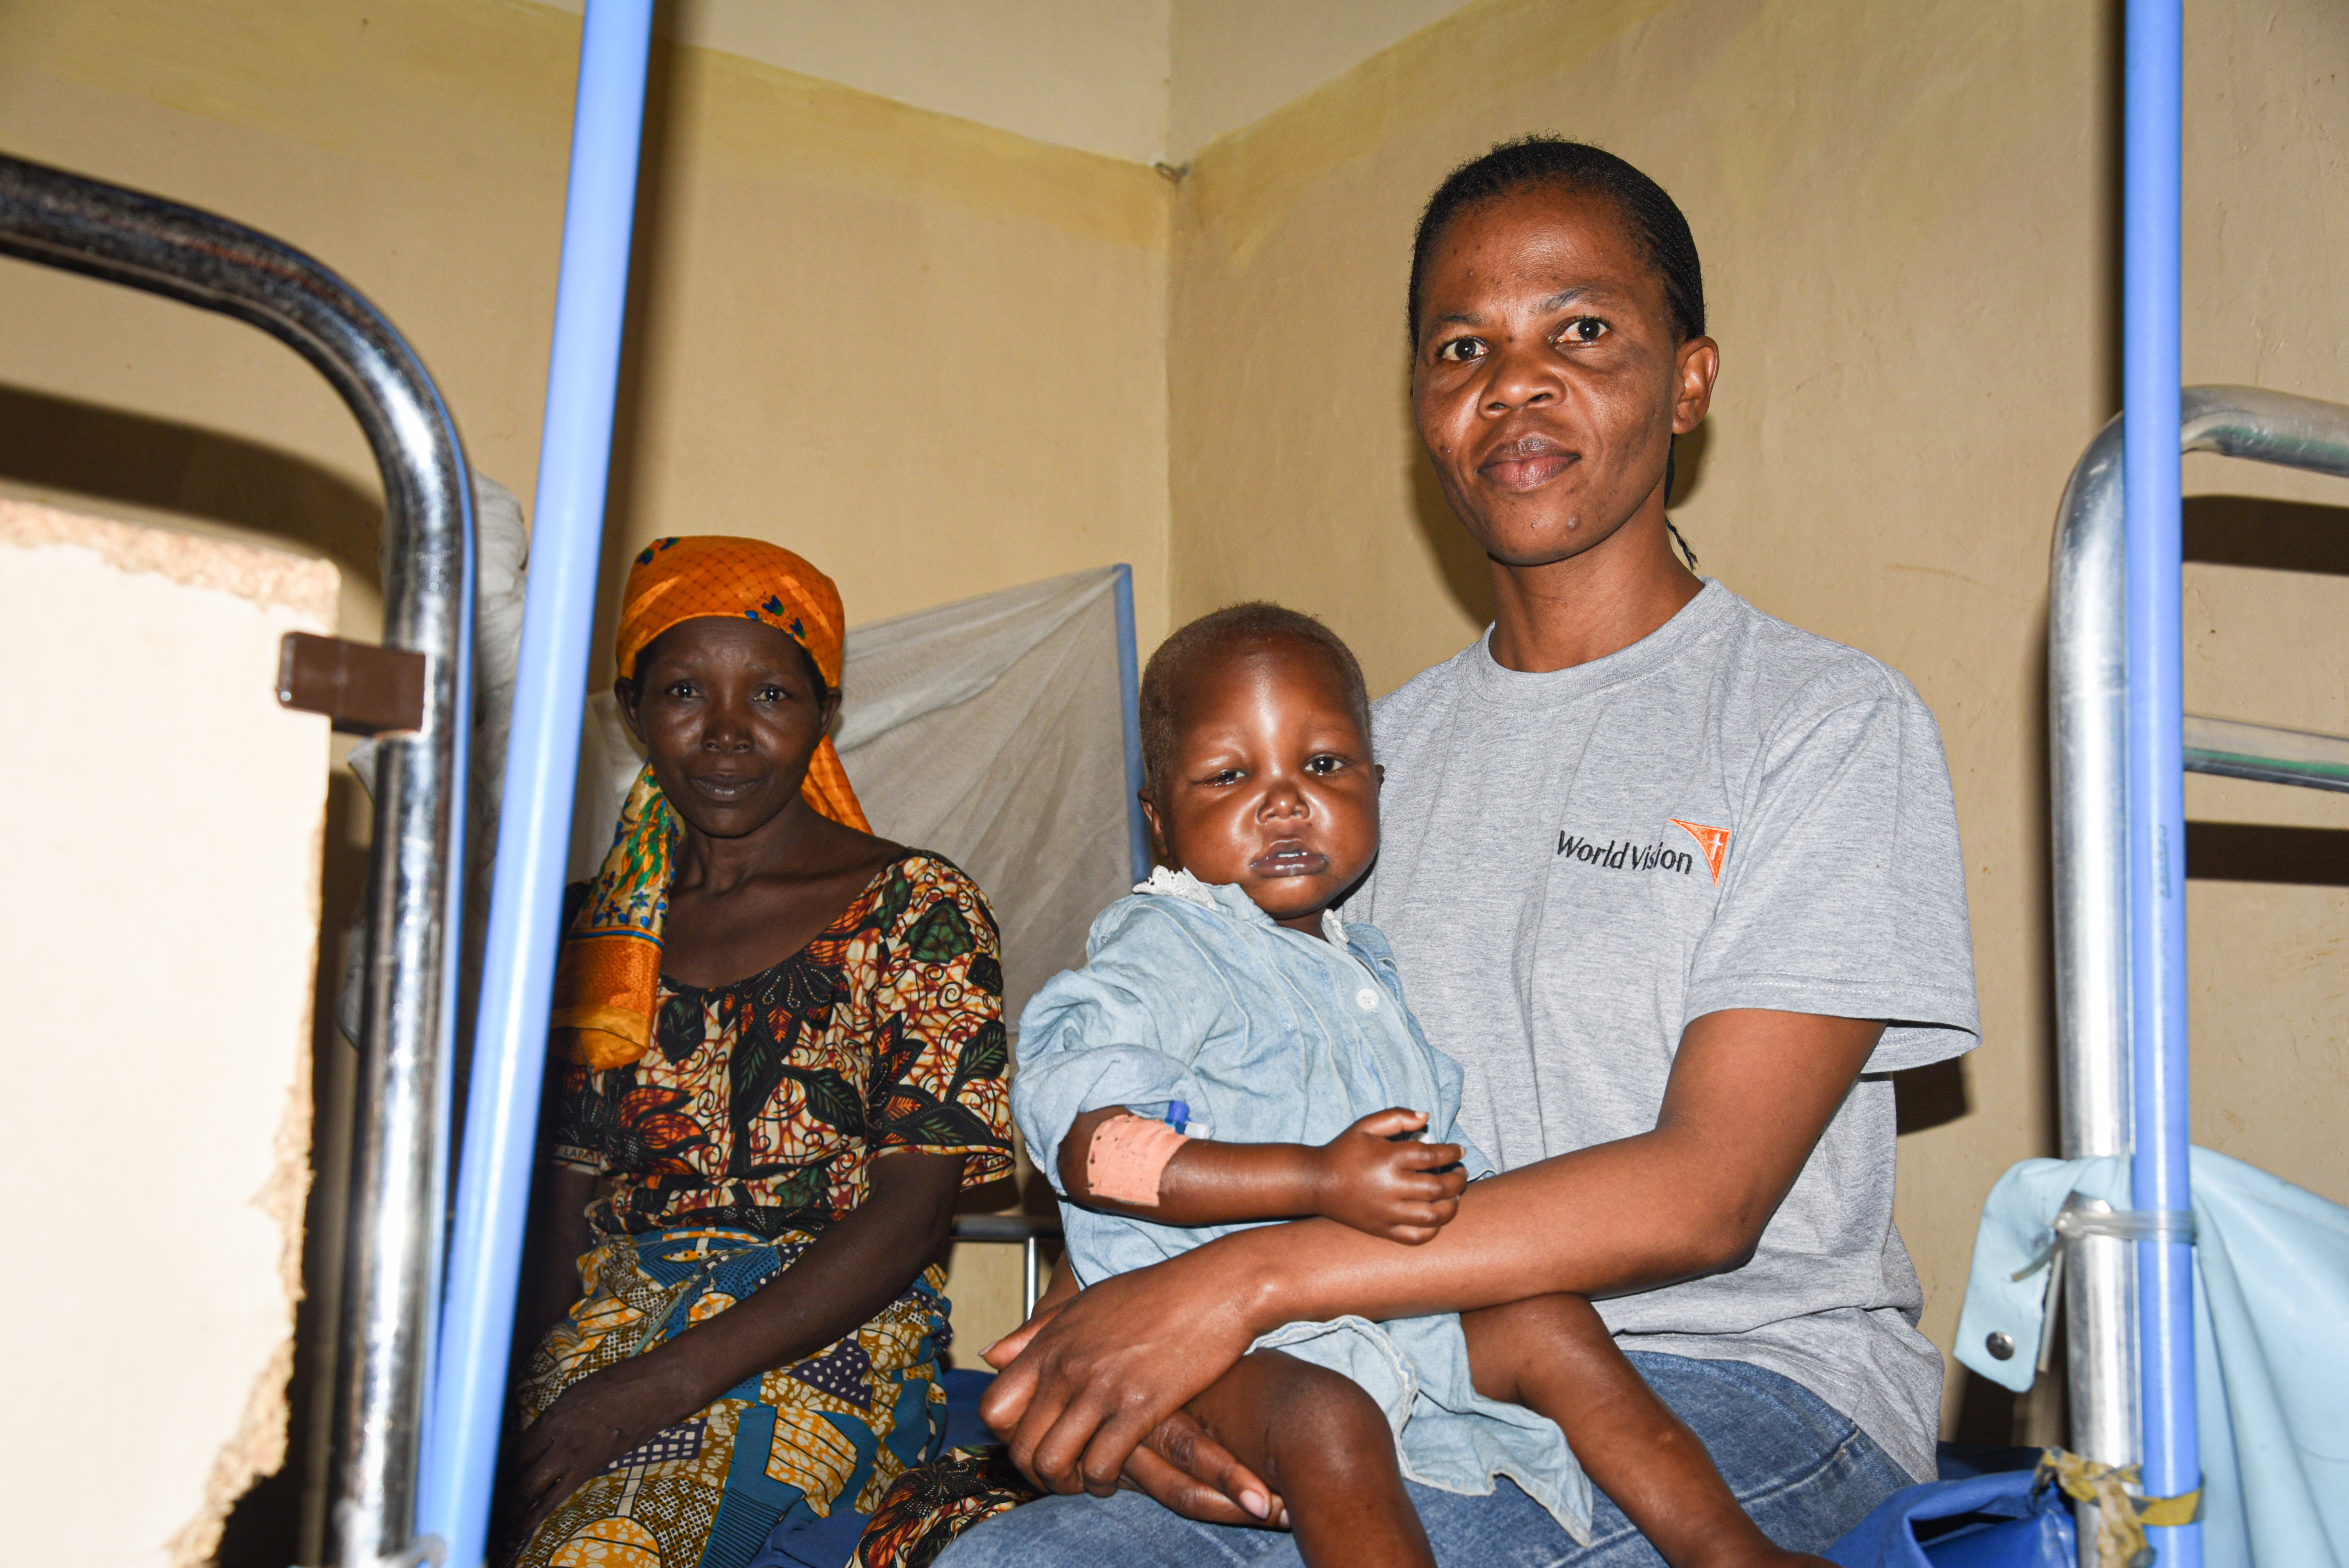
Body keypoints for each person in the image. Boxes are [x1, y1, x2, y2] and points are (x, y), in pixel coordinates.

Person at [940, 136, 1980, 1566]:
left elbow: (1704, 1190)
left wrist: (1242, 1286)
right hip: (1388, 1361)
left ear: (1689, 378)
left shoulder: (1815, 721)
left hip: (1735, 1379)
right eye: (1459, 345)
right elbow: (1174, 1059)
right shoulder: (1349, 772)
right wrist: (1175, 1344)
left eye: (1583, 329)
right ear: (1423, 407)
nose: (1515, 381)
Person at [1008, 600, 1837, 1568]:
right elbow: (1093, 1146)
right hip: (1230, 1352)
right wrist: (1309, 1180)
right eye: (1230, 776)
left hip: (1385, 1303)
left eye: (1321, 767)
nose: (1282, 802)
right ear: (1158, 819)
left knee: (1550, 1322)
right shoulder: (1158, 948)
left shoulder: (1359, 962)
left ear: (1376, 784)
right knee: (1327, 1423)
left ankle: (1726, 1549)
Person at [501, 536, 1014, 1568]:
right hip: (606, 1332)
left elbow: (911, 1219)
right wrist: (513, 1404)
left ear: (824, 714)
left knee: (606, 1547)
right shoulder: (591, 938)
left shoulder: (917, 910)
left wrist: (655, 1388)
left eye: (772, 697)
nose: (727, 733)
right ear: (631, 709)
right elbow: (557, 1207)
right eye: (686, 689)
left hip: (828, 1344)